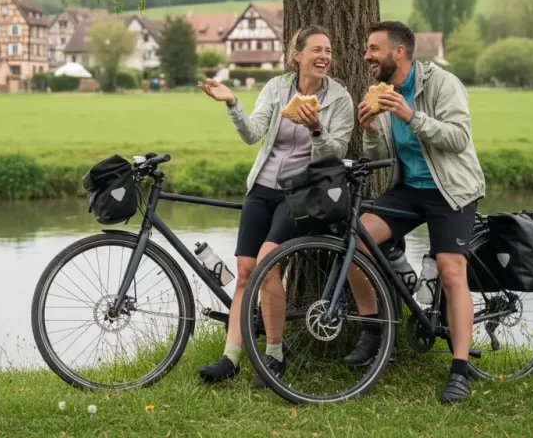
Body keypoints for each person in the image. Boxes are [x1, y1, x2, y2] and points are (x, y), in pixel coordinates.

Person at [196, 25, 355, 386]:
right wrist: (232, 103)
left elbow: (335, 155)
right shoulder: (276, 88)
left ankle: (274, 356)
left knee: (268, 264)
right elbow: (252, 134)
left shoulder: (339, 99)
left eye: (328, 51)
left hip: (300, 194)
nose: (324, 57)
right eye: (316, 50)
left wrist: (316, 129)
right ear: (297, 55)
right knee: (245, 271)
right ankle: (231, 358)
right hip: (261, 188)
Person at [348, 20, 486, 404]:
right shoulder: (383, 93)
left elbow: (458, 138)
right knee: (356, 239)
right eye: (367, 49)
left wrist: (411, 116)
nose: (366, 56)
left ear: (399, 52)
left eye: (373, 49)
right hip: (409, 190)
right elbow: (382, 155)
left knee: (451, 270)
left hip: (451, 190)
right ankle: (374, 328)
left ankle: (459, 370)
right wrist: (371, 129)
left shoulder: (441, 83)